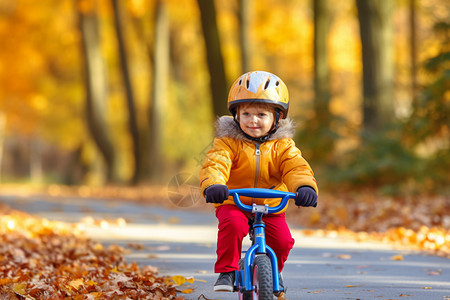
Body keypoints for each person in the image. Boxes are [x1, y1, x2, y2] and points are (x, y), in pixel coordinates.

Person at [199, 71, 318, 294]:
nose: (253, 120)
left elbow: (295, 166)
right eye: (246, 114)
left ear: (277, 118)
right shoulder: (227, 143)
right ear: (236, 115)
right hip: (235, 200)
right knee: (232, 226)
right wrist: (214, 185)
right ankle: (227, 271)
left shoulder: (283, 146)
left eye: (261, 114)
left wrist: (305, 187)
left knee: (282, 241)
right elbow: (216, 164)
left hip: (271, 203)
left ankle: (273, 271)